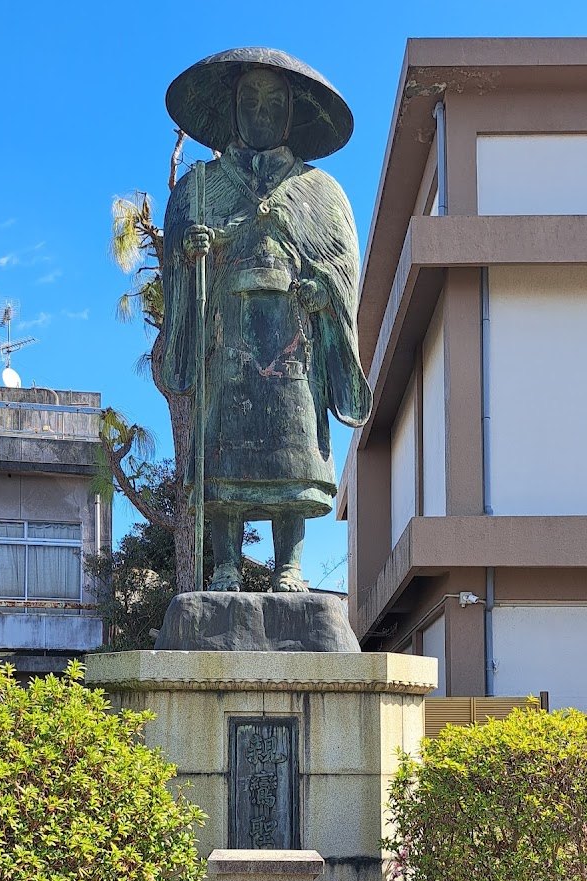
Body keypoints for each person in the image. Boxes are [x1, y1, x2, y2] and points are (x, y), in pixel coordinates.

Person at [162, 48, 371, 592]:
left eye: (273, 100)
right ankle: (225, 565)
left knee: (290, 449)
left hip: (293, 342)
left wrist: (322, 288)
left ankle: (290, 565)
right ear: (232, 109)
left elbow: (346, 268)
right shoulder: (200, 187)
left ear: (292, 111)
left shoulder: (321, 191)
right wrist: (193, 255)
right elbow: (176, 266)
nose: (260, 110)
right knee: (223, 448)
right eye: (249, 99)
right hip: (225, 335)